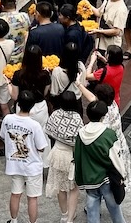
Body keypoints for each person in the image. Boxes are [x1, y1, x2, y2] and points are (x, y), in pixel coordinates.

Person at [0, 90, 49, 223]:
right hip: (32, 166)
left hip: (14, 164)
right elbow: (41, 147)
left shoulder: (8, 119)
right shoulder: (35, 125)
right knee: (32, 198)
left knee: (15, 194)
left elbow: (3, 136)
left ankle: (13, 220)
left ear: (18, 104)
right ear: (32, 106)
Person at [75, 100, 127, 223]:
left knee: (92, 210)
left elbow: (77, 157)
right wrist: (122, 175)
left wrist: (79, 179)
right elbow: (116, 158)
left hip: (89, 179)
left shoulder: (81, 134)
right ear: (103, 116)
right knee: (114, 208)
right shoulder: (109, 134)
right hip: (107, 179)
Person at [45, 91, 84, 223]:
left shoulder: (55, 114)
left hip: (57, 152)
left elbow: (48, 130)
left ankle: (64, 214)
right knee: (73, 188)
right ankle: (70, 218)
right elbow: (79, 139)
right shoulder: (77, 118)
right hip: (71, 155)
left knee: (60, 187)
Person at [9, 44, 52, 126]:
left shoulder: (18, 74)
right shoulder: (45, 75)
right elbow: (45, 93)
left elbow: (14, 96)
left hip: (22, 109)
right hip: (40, 109)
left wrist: (8, 83)